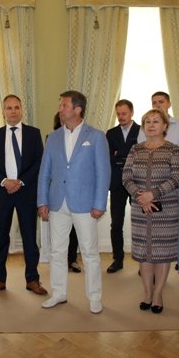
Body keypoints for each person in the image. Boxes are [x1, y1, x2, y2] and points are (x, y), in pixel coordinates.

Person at [38, 90, 110, 314]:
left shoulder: (96, 136)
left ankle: (95, 297)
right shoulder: (53, 137)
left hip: (85, 204)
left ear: (77, 109)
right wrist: (42, 201)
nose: (60, 109)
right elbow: (44, 172)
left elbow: (103, 172)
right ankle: (59, 293)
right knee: (57, 251)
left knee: (89, 253)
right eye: (60, 105)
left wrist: (100, 203)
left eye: (64, 105)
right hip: (57, 203)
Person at [0, 94, 47, 296]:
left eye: (16, 107)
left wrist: (20, 182)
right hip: (2, 193)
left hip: (26, 193)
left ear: (21, 110)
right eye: (9, 108)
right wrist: (5, 181)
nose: (13, 111)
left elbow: (39, 161)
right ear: (3, 111)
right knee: (1, 238)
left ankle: (33, 279)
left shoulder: (33, 133)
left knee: (29, 238)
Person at [123, 108, 179, 314]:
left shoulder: (173, 149)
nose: (151, 125)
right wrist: (140, 196)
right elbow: (126, 177)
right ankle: (147, 293)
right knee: (144, 253)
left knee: (162, 252)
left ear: (165, 126)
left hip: (166, 208)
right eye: (147, 121)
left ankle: (158, 294)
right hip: (140, 208)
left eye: (156, 121)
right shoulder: (135, 149)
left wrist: (154, 194)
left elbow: (177, 177)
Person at [140, 91, 179, 290]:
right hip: (148, 188)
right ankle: (151, 270)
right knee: (150, 231)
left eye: (161, 101)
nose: (157, 104)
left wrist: (160, 182)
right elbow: (140, 153)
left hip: (173, 186)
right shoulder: (145, 126)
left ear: (169, 103)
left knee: (178, 230)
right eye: (154, 102)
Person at [105, 99, 141, 274]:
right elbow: (107, 157)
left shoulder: (141, 130)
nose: (121, 117)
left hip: (137, 182)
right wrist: (123, 157)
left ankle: (143, 261)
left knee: (140, 223)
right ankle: (117, 259)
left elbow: (141, 156)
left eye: (124, 113)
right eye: (118, 114)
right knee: (116, 223)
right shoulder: (111, 133)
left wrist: (120, 156)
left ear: (132, 113)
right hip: (117, 183)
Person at [52, 112, 82, 273]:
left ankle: (72, 259)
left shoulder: (83, 136)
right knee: (59, 235)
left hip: (77, 193)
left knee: (75, 230)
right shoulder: (52, 138)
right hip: (58, 193)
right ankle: (60, 262)